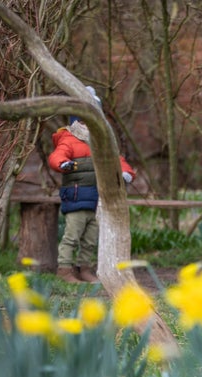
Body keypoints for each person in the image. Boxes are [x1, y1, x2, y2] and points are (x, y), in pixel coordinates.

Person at [48, 86, 136, 283]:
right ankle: (64, 269)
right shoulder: (69, 139)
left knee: (90, 239)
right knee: (72, 236)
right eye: (83, 117)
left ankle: (85, 268)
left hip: (97, 200)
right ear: (75, 118)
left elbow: (116, 159)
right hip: (77, 197)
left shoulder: (102, 140)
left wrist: (125, 173)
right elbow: (56, 156)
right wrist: (63, 164)